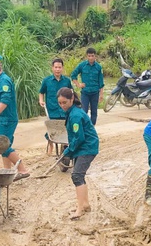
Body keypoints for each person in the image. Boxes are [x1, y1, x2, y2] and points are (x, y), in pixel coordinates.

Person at [57, 87, 99, 220]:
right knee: (79, 175)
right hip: (82, 147)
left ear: (72, 99)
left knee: (76, 176)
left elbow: (79, 138)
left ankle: (79, 210)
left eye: (65, 102)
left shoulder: (75, 115)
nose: (62, 105)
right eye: (60, 103)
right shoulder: (72, 112)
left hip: (87, 147)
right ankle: (85, 204)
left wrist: (68, 151)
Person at [0, 61, 30, 179]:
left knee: (3, 146)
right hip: (2, 119)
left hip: (7, 119)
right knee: (4, 146)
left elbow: (5, 100)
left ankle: (22, 170)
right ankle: (7, 170)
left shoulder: (4, 81)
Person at [39, 58, 72, 153]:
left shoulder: (67, 81)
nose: (58, 69)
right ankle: (51, 145)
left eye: (59, 67)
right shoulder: (47, 81)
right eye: (56, 67)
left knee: (65, 129)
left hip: (64, 110)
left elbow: (71, 93)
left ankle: (64, 147)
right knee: (51, 129)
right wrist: (41, 101)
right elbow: (41, 92)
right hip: (52, 109)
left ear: (62, 68)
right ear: (52, 68)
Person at [71, 47, 104, 125]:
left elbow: (101, 82)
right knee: (84, 111)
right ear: (87, 56)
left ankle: (92, 128)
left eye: (92, 56)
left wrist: (101, 94)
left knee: (94, 112)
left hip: (95, 93)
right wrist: (78, 84)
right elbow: (73, 75)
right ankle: (85, 127)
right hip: (85, 93)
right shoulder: (82, 65)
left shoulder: (98, 67)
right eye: (89, 56)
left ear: (95, 56)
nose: (91, 58)